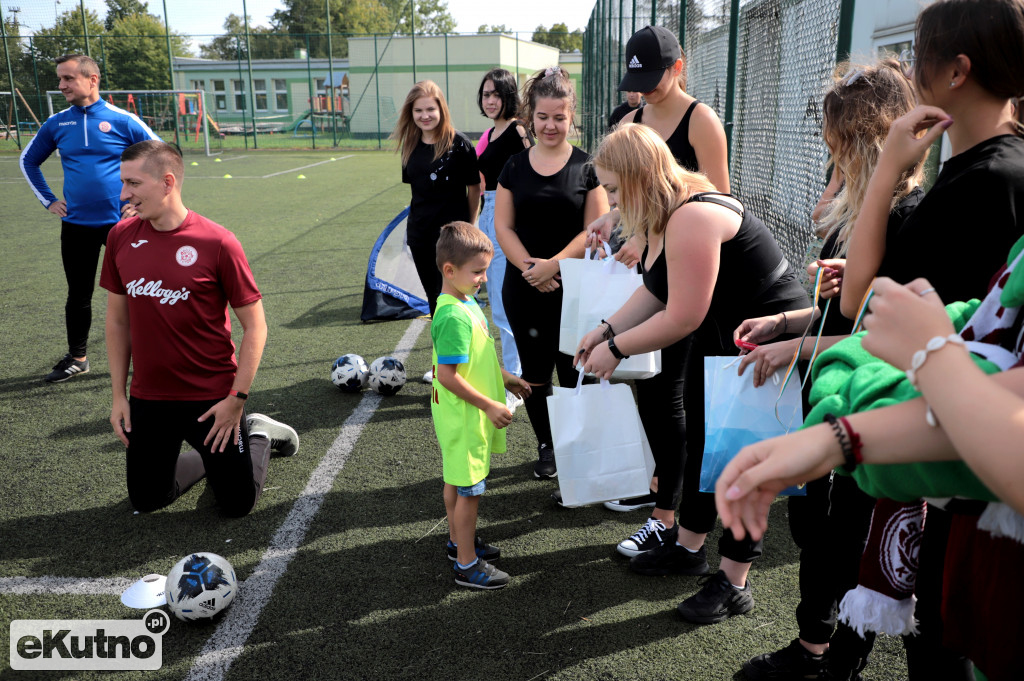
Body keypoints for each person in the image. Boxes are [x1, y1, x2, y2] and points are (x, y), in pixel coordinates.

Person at [826, 1, 1024, 676]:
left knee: (946, 645)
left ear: (959, 70)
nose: (909, 69)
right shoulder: (978, 170)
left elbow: (862, 302)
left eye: (918, 54)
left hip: (958, 464)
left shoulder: (988, 182)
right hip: (959, 456)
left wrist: (886, 169)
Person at [732, 59, 925, 681]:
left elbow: (876, 334)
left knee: (845, 543)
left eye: (839, 141)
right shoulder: (858, 205)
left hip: (865, 409)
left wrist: (795, 348)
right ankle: (815, 648)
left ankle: (830, 656)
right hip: (829, 398)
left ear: (869, 138)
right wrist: (788, 324)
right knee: (816, 530)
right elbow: (838, 310)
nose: (830, 152)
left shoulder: (902, 216)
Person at [578, 123, 808, 624]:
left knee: (744, 462)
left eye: (615, 189)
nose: (612, 202)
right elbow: (657, 290)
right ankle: (688, 547)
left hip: (767, 343)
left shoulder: (693, 214)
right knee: (706, 445)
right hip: (727, 338)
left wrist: (615, 348)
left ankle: (734, 582)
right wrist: (605, 327)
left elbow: (683, 316)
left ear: (641, 179)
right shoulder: (665, 208)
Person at [100, 140, 298, 517]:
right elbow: (117, 320)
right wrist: (118, 395)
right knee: (147, 499)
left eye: (133, 183)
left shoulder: (218, 242)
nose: (124, 193)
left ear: (167, 182)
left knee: (237, 504)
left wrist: (237, 399)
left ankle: (258, 433)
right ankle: (211, 458)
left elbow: (256, 327)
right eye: (123, 183)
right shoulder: (120, 237)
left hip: (213, 399)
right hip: (150, 398)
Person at [595, 25, 732, 518]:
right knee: (647, 387)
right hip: (649, 271)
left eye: (655, 77)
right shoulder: (630, 118)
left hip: (688, 274)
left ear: (680, 67)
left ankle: (667, 510)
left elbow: (718, 199)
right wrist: (613, 216)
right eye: (637, 79)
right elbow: (631, 191)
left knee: (672, 394)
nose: (645, 88)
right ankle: (655, 480)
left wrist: (642, 235)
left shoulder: (701, 120)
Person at [494, 66, 609, 480]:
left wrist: (554, 266)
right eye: (543, 117)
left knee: (577, 370)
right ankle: (548, 445)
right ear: (530, 116)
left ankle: (579, 443)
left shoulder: (587, 167)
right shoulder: (512, 167)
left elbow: (594, 231)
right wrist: (531, 269)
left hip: (574, 288)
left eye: (559, 117)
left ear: (571, 116)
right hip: (524, 288)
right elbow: (503, 228)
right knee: (536, 376)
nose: (551, 125)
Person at [20, 54, 160, 383]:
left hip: (123, 226)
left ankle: (148, 358)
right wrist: (50, 201)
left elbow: (162, 157)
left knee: (137, 292)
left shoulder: (123, 120)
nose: (61, 85)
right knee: (78, 294)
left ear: (92, 80)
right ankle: (78, 357)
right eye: (60, 79)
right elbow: (29, 161)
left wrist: (139, 204)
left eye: (68, 78)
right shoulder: (57, 123)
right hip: (76, 225)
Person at [431, 221, 532, 589]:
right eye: (478, 272)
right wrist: (490, 405)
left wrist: (504, 377)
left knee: (456, 480)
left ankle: (459, 542)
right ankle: (467, 564)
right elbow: (447, 376)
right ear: (450, 270)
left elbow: (477, 357)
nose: (484, 279)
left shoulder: (464, 301)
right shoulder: (454, 315)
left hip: (460, 414)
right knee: (469, 489)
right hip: (464, 416)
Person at [393, 80, 481, 320]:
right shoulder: (409, 146)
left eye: (430, 109)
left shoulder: (459, 144)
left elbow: (474, 189)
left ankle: (464, 356)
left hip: (453, 239)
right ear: (411, 113)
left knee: (459, 302)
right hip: (420, 237)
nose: (425, 116)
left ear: (441, 109)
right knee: (435, 302)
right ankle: (441, 357)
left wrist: (470, 228)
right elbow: (418, 191)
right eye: (418, 110)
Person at [475, 68, 533, 379]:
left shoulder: (517, 131)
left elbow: (533, 173)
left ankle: (515, 374)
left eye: (497, 94)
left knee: (502, 304)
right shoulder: (492, 133)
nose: (490, 100)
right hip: (488, 214)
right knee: (491, 299)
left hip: (505, 216)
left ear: (509, 95)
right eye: (486, 94)